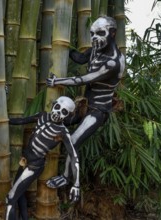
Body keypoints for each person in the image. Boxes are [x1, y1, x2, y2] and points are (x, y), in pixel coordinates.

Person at [46, 16, 125, 188]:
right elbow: (80, 59)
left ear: (112, 33)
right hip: (84, 105)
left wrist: (57, 81)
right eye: (92, 34)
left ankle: (66, 178)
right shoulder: (97, 50)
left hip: (98, 111)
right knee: (54, 120)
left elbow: (83, 79)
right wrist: (63, 46)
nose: (95, 38)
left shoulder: (114, 61)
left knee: (73, 141)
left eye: (100, 33)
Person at [5, 96, 80, 220]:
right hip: (25, 160)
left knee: (11, 197)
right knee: (19, 193)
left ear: (68, 116)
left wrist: (76, 183)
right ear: (53, 105)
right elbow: (21, 120)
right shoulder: (42, 115)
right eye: (57, 107)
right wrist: (3, 119)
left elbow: (74, 157)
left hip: (34, 166)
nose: (58, 113)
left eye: (64, 112)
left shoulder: (62, 132)